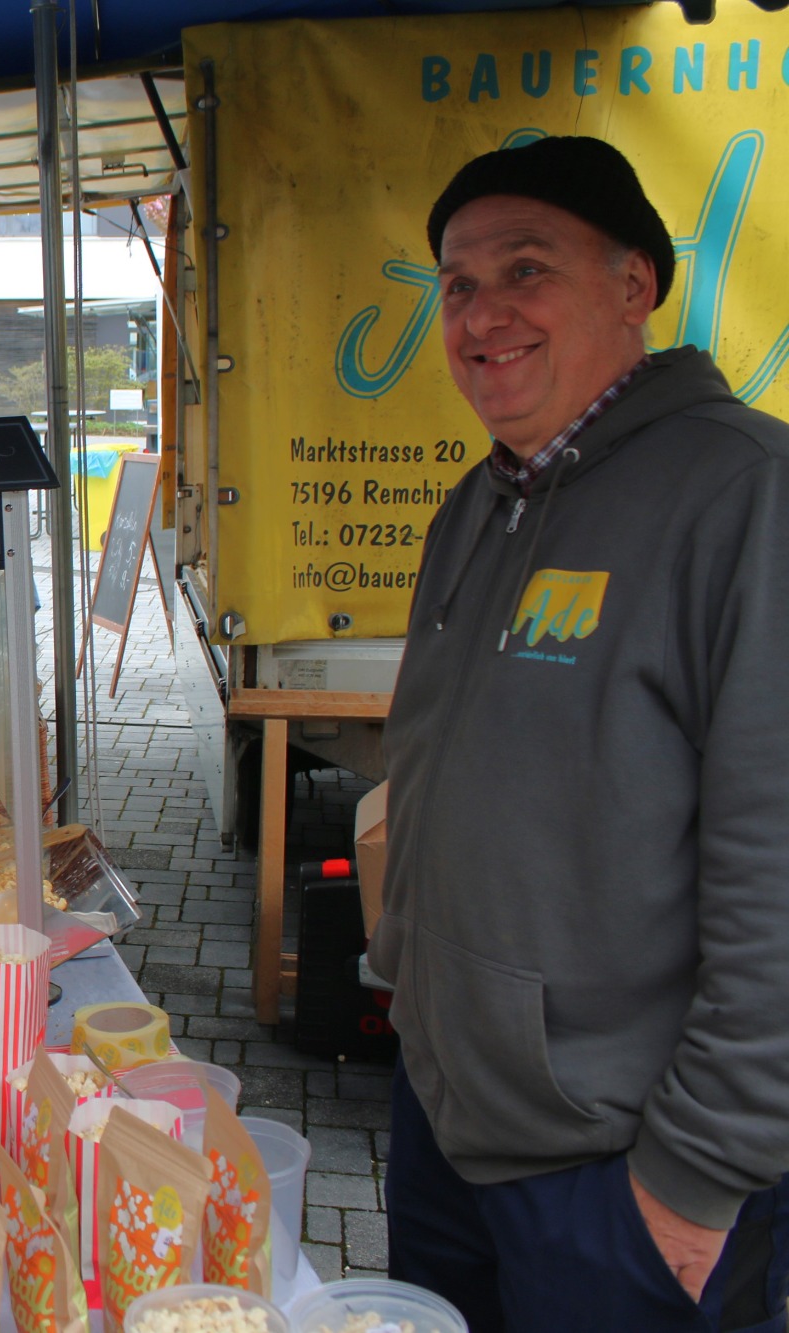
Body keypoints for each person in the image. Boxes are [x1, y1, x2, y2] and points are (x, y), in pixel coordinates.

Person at [375, 134, 789, 1331]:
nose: (481, 314)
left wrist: (691, 1183)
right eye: (456, 284)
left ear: (632, 285)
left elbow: (773, 876)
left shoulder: (744, 494)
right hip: (447, 1126)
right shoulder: (473, 506)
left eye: (524, 269)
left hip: (618, 1175)